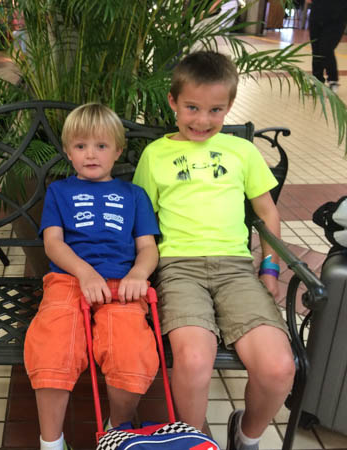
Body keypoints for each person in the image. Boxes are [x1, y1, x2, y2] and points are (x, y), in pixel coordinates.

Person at [133, 51, 295, 450]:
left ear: (229, 106)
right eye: (192, 107)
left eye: (215, 110)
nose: (203, 120)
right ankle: (194, 443)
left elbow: (267, 213)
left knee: (278, 368)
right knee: (192, 361)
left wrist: (270, 268)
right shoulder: (155, 155)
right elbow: (141, 218)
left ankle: (246, 436)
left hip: (236, 270)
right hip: (178, 269)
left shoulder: (242, 152)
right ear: (172, 101)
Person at [24, 103, 161, 450]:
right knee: (52, 347)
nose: (90, 154)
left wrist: (138, 274)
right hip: (69, 280)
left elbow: (148, 247)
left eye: (101, 146)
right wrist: (84, 273)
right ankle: (51, 443)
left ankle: (118, 430)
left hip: (122, 285)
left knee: (130, 350)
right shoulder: (59, 192)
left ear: (117, 151)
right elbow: (53, 243)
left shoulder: (134, 195)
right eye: (81, 146)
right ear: (68, 152)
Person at [307, 0, 347, 92]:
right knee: (316, 50)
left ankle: (333, 80)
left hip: (337, 17)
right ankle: (317, 82)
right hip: (316, 14)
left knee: (326, 49)